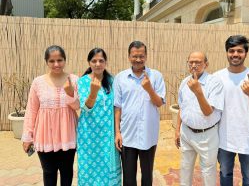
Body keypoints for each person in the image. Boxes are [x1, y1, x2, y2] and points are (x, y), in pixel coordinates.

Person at [214, 35, 249, 186]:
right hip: (224, 139)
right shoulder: (217, 77)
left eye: (240, 51)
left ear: (246, 53)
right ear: (226, 52)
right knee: (225, 174)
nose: (235, 54)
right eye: (231, 50)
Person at [22, 45, 78, 186]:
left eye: (60, 60)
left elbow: (78, 107)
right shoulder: (38, 82)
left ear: (65, 60)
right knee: (48, 172)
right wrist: (27, 137)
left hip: (68, 135)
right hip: (44, 135)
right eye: (52, 61)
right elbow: (31, 110)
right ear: (46, 62)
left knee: (67, 172)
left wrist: (71, 93)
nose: (56, 64)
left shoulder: (75, 80)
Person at [64, 48, 121, 185]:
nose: (97, 64)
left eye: (101, 60)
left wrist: (117, 131)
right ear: (89, 63)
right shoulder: (83, 81)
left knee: (107, 168)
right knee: (89, 168)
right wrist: (93, 92)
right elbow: (85, 108)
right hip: (88, 134)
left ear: (105, 62)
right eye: (94, 61)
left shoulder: (113, 81)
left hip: (107, 134)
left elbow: (117, 107)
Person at [113, 41, 166, 186]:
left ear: (146, 56)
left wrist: (149, 89)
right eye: (134, 56)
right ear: (129, 56)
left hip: (148, 135)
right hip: (127, 135)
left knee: (147, 176)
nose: (138, 59)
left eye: (141, 56)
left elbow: (159, 103)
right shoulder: (120, 78)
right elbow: (117, 107)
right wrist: (117, 132)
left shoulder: (156, 76)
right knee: (128, 177)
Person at [175, 52, 224, 186]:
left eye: (198, 62)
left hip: (206, 135)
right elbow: (181, 107)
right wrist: (177, 130)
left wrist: (198, 91)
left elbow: (208, 112)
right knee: (185, 167)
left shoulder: (215, 83)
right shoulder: (185, 82)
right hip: (186, 133)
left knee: (208, 172)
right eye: (191, 62)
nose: (194, 65)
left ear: (206, 64)